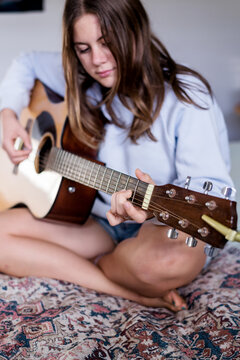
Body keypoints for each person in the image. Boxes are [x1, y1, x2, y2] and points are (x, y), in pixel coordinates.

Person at [0, 0, 235, 312]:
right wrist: (8, 115)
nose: (97, 60)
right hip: (99, 224)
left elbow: (210, 192)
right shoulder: (83, 78)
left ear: (134, 31)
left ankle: (112, 265)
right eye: (83, 49)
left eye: (107, 43)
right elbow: (26, 64)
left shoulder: (187, 97)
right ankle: (124, 287)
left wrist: (150, 212)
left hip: (163, 229)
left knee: (166, 262)